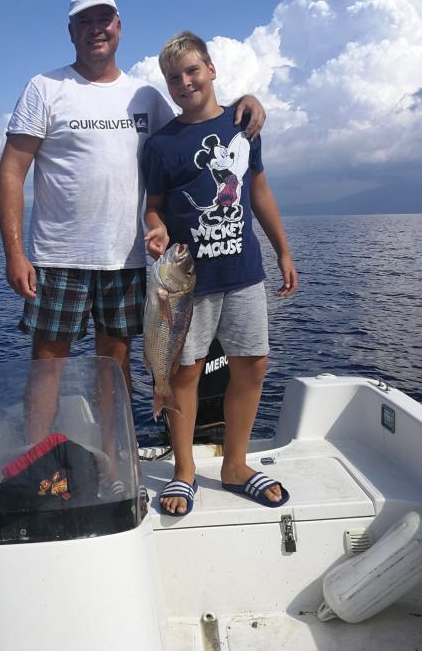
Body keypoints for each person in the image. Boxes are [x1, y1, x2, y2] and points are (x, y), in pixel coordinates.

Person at [0, 0, 266, 408]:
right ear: (71, 32)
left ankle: (115, 448)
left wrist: (241, 105)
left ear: (119, 27)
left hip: (125, 258)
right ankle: (39, 448)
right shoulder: (45, 88)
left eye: (103, 20)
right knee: (48, 364)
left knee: (114, 363)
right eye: (84, 22)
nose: (95, 29)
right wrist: (15, 254)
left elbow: (192, 128)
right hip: (58, 257)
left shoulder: (145, 97)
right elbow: (12, 172)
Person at [142, 31, 297, 516]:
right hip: (189, 283)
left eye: (192, 70)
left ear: (211, 69)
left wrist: (283, 252)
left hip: (244, 273)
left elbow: (260, 191)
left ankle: (235, 466)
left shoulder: (243, 124)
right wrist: (155, 230)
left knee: (252, 365)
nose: (185, 82)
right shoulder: (161, 146)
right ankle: (184, 471)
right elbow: (154, 207)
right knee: (184, 372)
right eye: (173, 78)